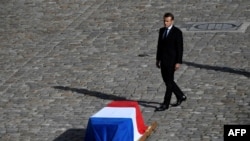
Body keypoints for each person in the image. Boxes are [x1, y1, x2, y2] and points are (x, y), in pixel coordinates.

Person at [155, 13, 186, 111]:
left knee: (169, 83)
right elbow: (159, 46)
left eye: (167, 21)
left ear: (172, 21)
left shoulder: (177, 32)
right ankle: (180, 95)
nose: (165, 23)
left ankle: (166, 103)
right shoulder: (162, 31)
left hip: (172, 61)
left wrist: (178, 62)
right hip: (163, 60)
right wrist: (157, 59)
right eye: (164, 21)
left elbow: (180, 48)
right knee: (167, 81)